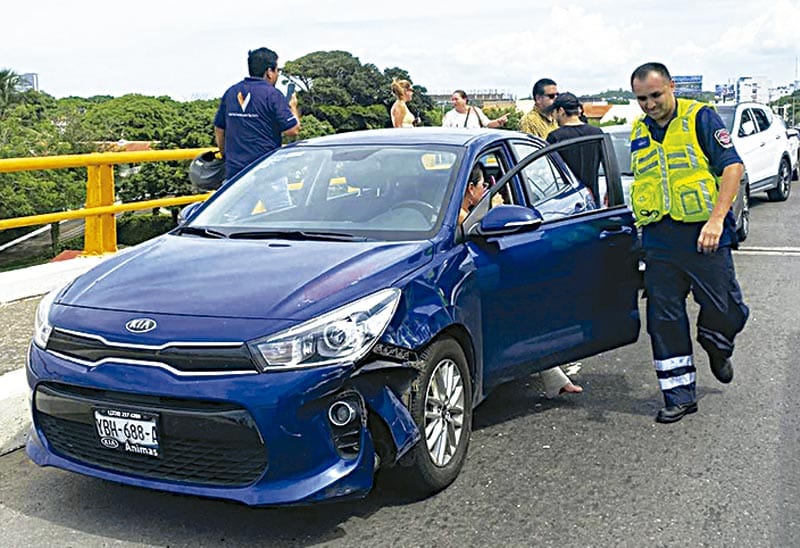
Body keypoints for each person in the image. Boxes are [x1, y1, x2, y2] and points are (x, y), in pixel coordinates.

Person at [629, 62, 749, 423]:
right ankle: (679, 394)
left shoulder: (700, 118)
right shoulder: (638, 130)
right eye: (641, 99)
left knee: (727, 308)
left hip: (704, 233)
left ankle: (716, 342)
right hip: (659, 238)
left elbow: (733, 167)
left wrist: (716, 220)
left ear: (671, 87)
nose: (649, 104)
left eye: (655, 95)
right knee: (663, 318)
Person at [214, 47, 301, 179]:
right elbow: (292, 130)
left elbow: (219, 129)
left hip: (235, 174)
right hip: (267, 173)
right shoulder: (272, 94)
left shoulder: (231, 92)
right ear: (269, 72)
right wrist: (293, 107)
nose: (277, 75)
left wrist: (225, 155)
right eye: (277, 70)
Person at [545, 92, 603, 200]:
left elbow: (549, 173)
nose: (553, 116)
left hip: (568, 201)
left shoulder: (555, 137)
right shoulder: (597, 133)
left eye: (554, 112)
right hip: (592, 199)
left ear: (561, 110)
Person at [442, 90, 508, 129]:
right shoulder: (450, 115)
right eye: (452, 100)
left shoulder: (476, 111)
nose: (454, 102)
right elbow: (445, 131)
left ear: (464, 99)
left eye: (456, 99)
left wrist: (499, 121)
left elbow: (487, 124)